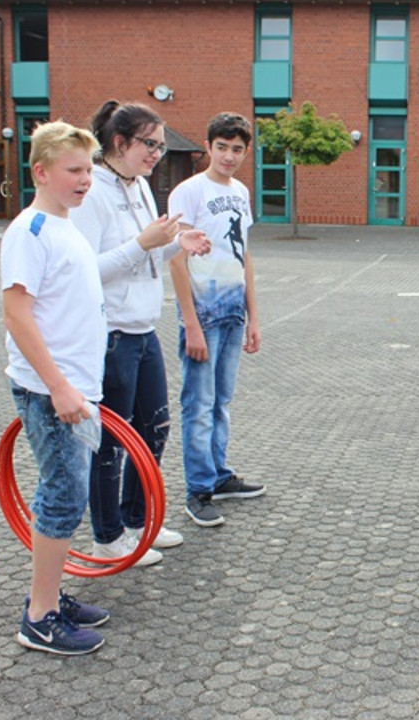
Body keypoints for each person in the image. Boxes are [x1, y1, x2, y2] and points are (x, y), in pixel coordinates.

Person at [72, 100, 210, 564]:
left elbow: (148, 253)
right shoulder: (91, 193)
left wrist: (176, 242)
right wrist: (142, 245)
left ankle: (136, 523)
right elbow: (85, 271)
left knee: (152, 431)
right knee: (111, 441)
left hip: (143, 328)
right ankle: (107, 536)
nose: (157, 153)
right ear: (119, 143)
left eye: (160, 144)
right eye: (149, 144)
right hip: (111, 333)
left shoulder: (141, 188)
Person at [2, 121, 112, 655]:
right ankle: (39, 616)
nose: (85, 179)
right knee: (63, 496)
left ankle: (51, 597)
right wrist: (59, 388)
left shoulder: (67, 226)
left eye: (89, 169)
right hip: (52, 393)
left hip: (76, 388)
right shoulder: (31, 232)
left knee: (68, 496)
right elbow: (16, 315)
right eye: (74, 170)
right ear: (40, 171)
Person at [169, 112, 267, 528]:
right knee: (199, 403)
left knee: (221, 401)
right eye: (222, 147)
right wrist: (190, 322)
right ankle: (199, 489)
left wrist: (254, 317)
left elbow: (243, 253)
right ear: (207, 147)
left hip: (232, 311)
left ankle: (219, 474)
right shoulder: (188, 192)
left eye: (238, 149)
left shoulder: (241, 191)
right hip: (203, 314)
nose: (229, 156)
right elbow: (176, 256)